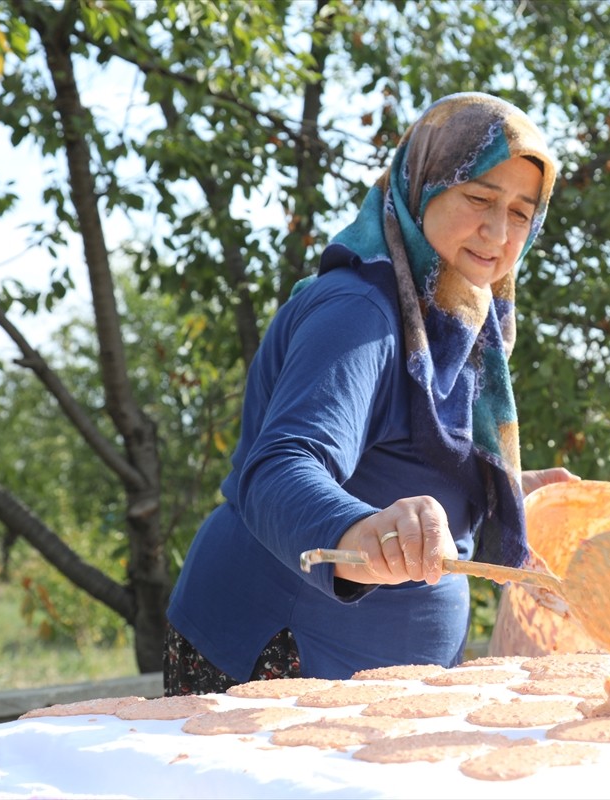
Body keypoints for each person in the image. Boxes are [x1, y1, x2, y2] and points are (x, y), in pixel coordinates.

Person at [164, 92, 577, 696]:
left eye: (521, 212)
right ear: (425, 185)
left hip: (378, 677)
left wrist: (494, 492)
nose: (498, 232)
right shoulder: (361, 311)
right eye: (479, 198)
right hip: (282, 657)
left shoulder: (454, 314)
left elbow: (407, 454)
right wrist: (359, 530)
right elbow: (279, 467)